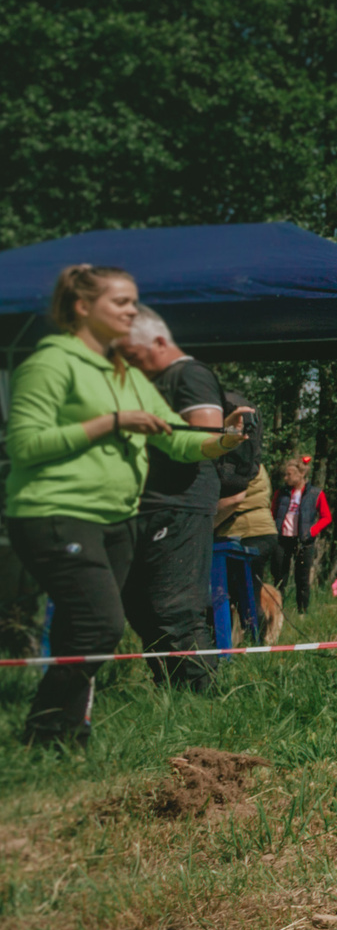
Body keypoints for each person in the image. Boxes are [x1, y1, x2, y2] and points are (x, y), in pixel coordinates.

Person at [3, 265, 244, 748]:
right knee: (100, 623)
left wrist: (221, 442)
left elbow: (176, 439)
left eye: (134, 302)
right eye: (120, 302)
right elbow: (25, 445)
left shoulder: (125, 375)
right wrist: (111, 421)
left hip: (117, 517)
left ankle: (59, 739)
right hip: (54, 512)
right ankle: (47, 731)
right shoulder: (49, 364)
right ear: (81, 307)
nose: (132, 311)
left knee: (82, 630)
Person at [118, 308, 229, 689]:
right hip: (148, 505)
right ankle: (173, 692)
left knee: (174, 607)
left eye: (131, 352)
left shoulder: (189, 375)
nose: (126, 361)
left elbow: (205, 437)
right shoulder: (149, 381)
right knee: (139, 604)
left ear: (160, 342)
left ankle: (203, 696)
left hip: (181, 503)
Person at [210, 381, 278, 642]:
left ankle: (253, 645)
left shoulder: (240, 465)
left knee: (241, 596)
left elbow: (235, 499)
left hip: (245, 534)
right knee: (247, 594)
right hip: (259, 532)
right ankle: (252, 644)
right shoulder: (255, 463)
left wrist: (207, 524)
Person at [271, 455, 333, 617]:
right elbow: (272, 512)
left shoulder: (315, 493)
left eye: (289, 475)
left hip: (304, 541)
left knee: (302, 578)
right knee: (279, 577)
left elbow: (327, 517)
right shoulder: (281, 493)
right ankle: (278, 611)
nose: (286, 478)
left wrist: (312, 531)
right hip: (282, 539)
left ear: (301, 475)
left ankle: (302, 612)